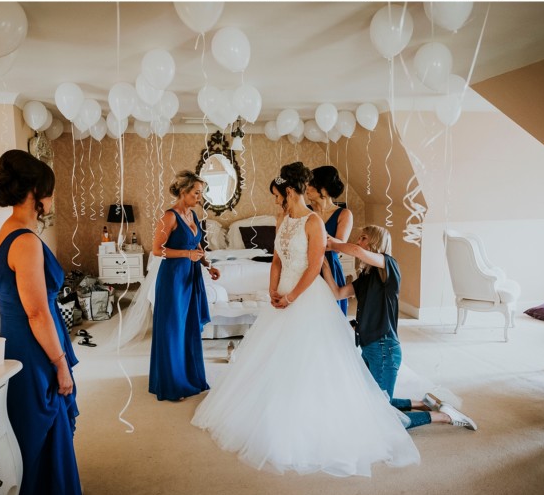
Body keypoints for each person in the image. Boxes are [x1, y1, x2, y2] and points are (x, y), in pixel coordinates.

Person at [192, 162, 419, 476]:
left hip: (306, 298)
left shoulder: (314, 221)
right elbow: (276, 259)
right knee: (274, 357)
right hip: (282, 295)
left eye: (276, 196)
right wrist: (273, 289)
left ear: (288, 191)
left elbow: (314, 267)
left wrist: (291, 296)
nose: (275, 202)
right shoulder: (282, 218)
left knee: (311, 360)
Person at [0, 150, 86, 495]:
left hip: (16, 339)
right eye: (49, 191)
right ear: (35, 193)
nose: (52, 198)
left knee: (32, 427)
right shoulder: (25, 241)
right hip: (33, 349)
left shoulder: (7, 230)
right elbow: (36, 313)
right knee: (40, 427)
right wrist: (60, 363)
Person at [323, 224, 477, 431]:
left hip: (384, 349)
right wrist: (323, 264)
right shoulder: (366, 278)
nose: (359, 242)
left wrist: (333, 244)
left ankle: (443, 416)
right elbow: (338, 293)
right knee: (370, 399)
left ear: (375, 243)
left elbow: (356, 251)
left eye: (363, 238)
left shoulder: (389, 266)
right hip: (370, 348)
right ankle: (421, 403)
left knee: (381, 419)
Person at [149, 171, 220, 401]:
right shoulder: (169, 217)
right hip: (172, 279)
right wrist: (185, 254)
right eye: (196, 193)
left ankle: (190, 377)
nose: (200, 197)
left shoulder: (193, 216)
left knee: (188, 327)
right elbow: (157, 249)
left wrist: (207, 264)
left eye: (201, 193)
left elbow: (196, 245)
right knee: (173, 329)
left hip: (191, 277)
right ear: (183, 192)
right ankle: (172, 384)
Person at [306, 165, 353, 315]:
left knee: (331, 312)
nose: (307, 187)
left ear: (324, 189)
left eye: (311, 184)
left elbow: (338, 245)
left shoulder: (344, 214)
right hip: (304, 265)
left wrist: (316, 236)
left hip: (330, 267)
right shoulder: (305, 212)